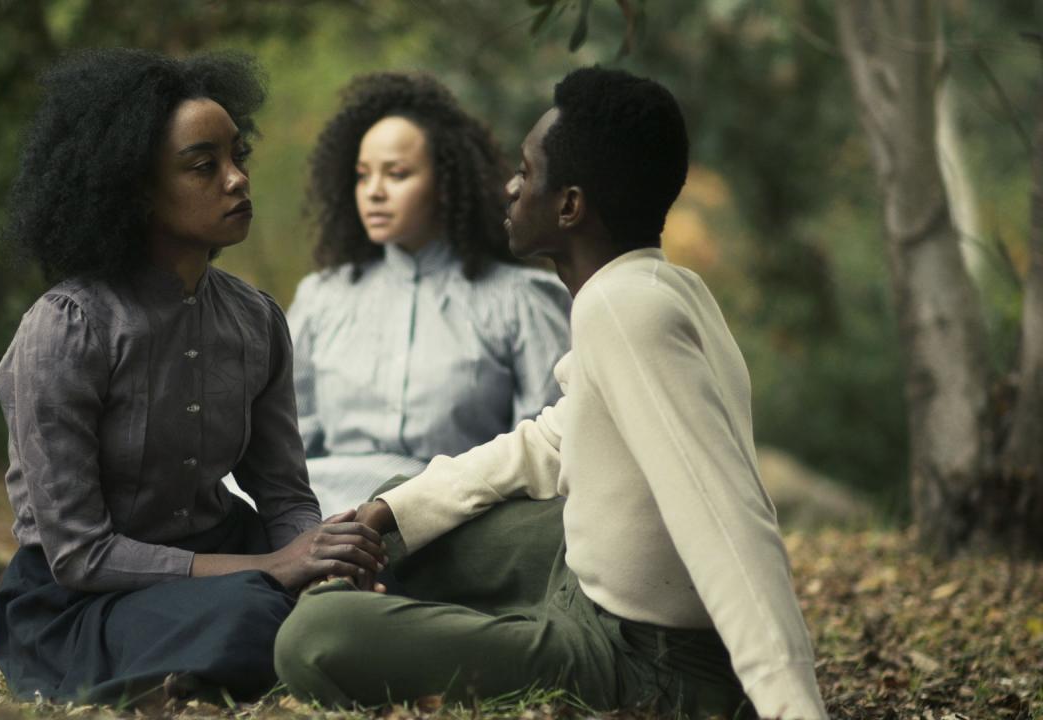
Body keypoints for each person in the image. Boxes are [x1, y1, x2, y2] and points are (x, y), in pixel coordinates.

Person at [274, 67, 829, 720]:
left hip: (644, 661)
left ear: (569, 205)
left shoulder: (624, 313)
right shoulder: (662, 287)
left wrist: (790, 704)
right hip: (586, 576)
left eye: (526, 171)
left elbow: (727, 521)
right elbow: (550, 438)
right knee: (404, 511)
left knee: (314, 638)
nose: (509, 187)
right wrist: (388, 512)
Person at [0, 49, 385, 706]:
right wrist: (271, 568)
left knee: (370, 565)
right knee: (252, 618)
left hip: (231, 559)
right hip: (88, 603)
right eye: (205, 166)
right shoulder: (66, 328)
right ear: (134, 190)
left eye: (239, 156)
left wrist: (319, 564)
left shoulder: (256, 319)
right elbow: (79, 556)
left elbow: (284, 495)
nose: (236, 180)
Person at [288, 72, 571, 513]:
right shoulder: (322, 299)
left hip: (453, 515)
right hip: (322, 510)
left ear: (445, 183)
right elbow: (287, 444)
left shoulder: (522, 300)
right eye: (363, 176)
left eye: (396, 174)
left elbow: (548, 449)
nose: (375, 192)